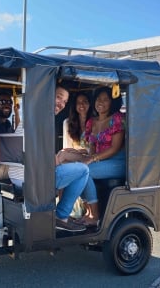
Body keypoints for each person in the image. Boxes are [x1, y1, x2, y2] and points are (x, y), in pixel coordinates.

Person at [80, 86, 126, 226]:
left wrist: (92, 159)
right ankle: (87, 212)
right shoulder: (91, 122)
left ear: (113, 102)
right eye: (99, 99)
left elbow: (115, 148)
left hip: (118, 161)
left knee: (83, 171)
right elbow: (92, 146)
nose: (101, 102)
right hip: (101, 160)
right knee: (76, 170)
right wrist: (87, 156)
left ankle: (95, 215)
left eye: (106, 99)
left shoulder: (117, 119)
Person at [53, 86, 91, 232]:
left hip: (85, 157)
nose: (61, 103)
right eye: (58, 97)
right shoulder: (67, 122)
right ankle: (62, 215)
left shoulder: (93, 122)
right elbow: (66, 148)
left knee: (76, 164)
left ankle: (88, 212)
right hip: (41, 174)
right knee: (82, 169)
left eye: (65, 101)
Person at [0, 91, 20, 181]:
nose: (7, 105)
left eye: (9, 102)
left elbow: (17, 134)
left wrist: (16, 112)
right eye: (3, 102)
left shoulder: (7, 123)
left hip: (5, 163)